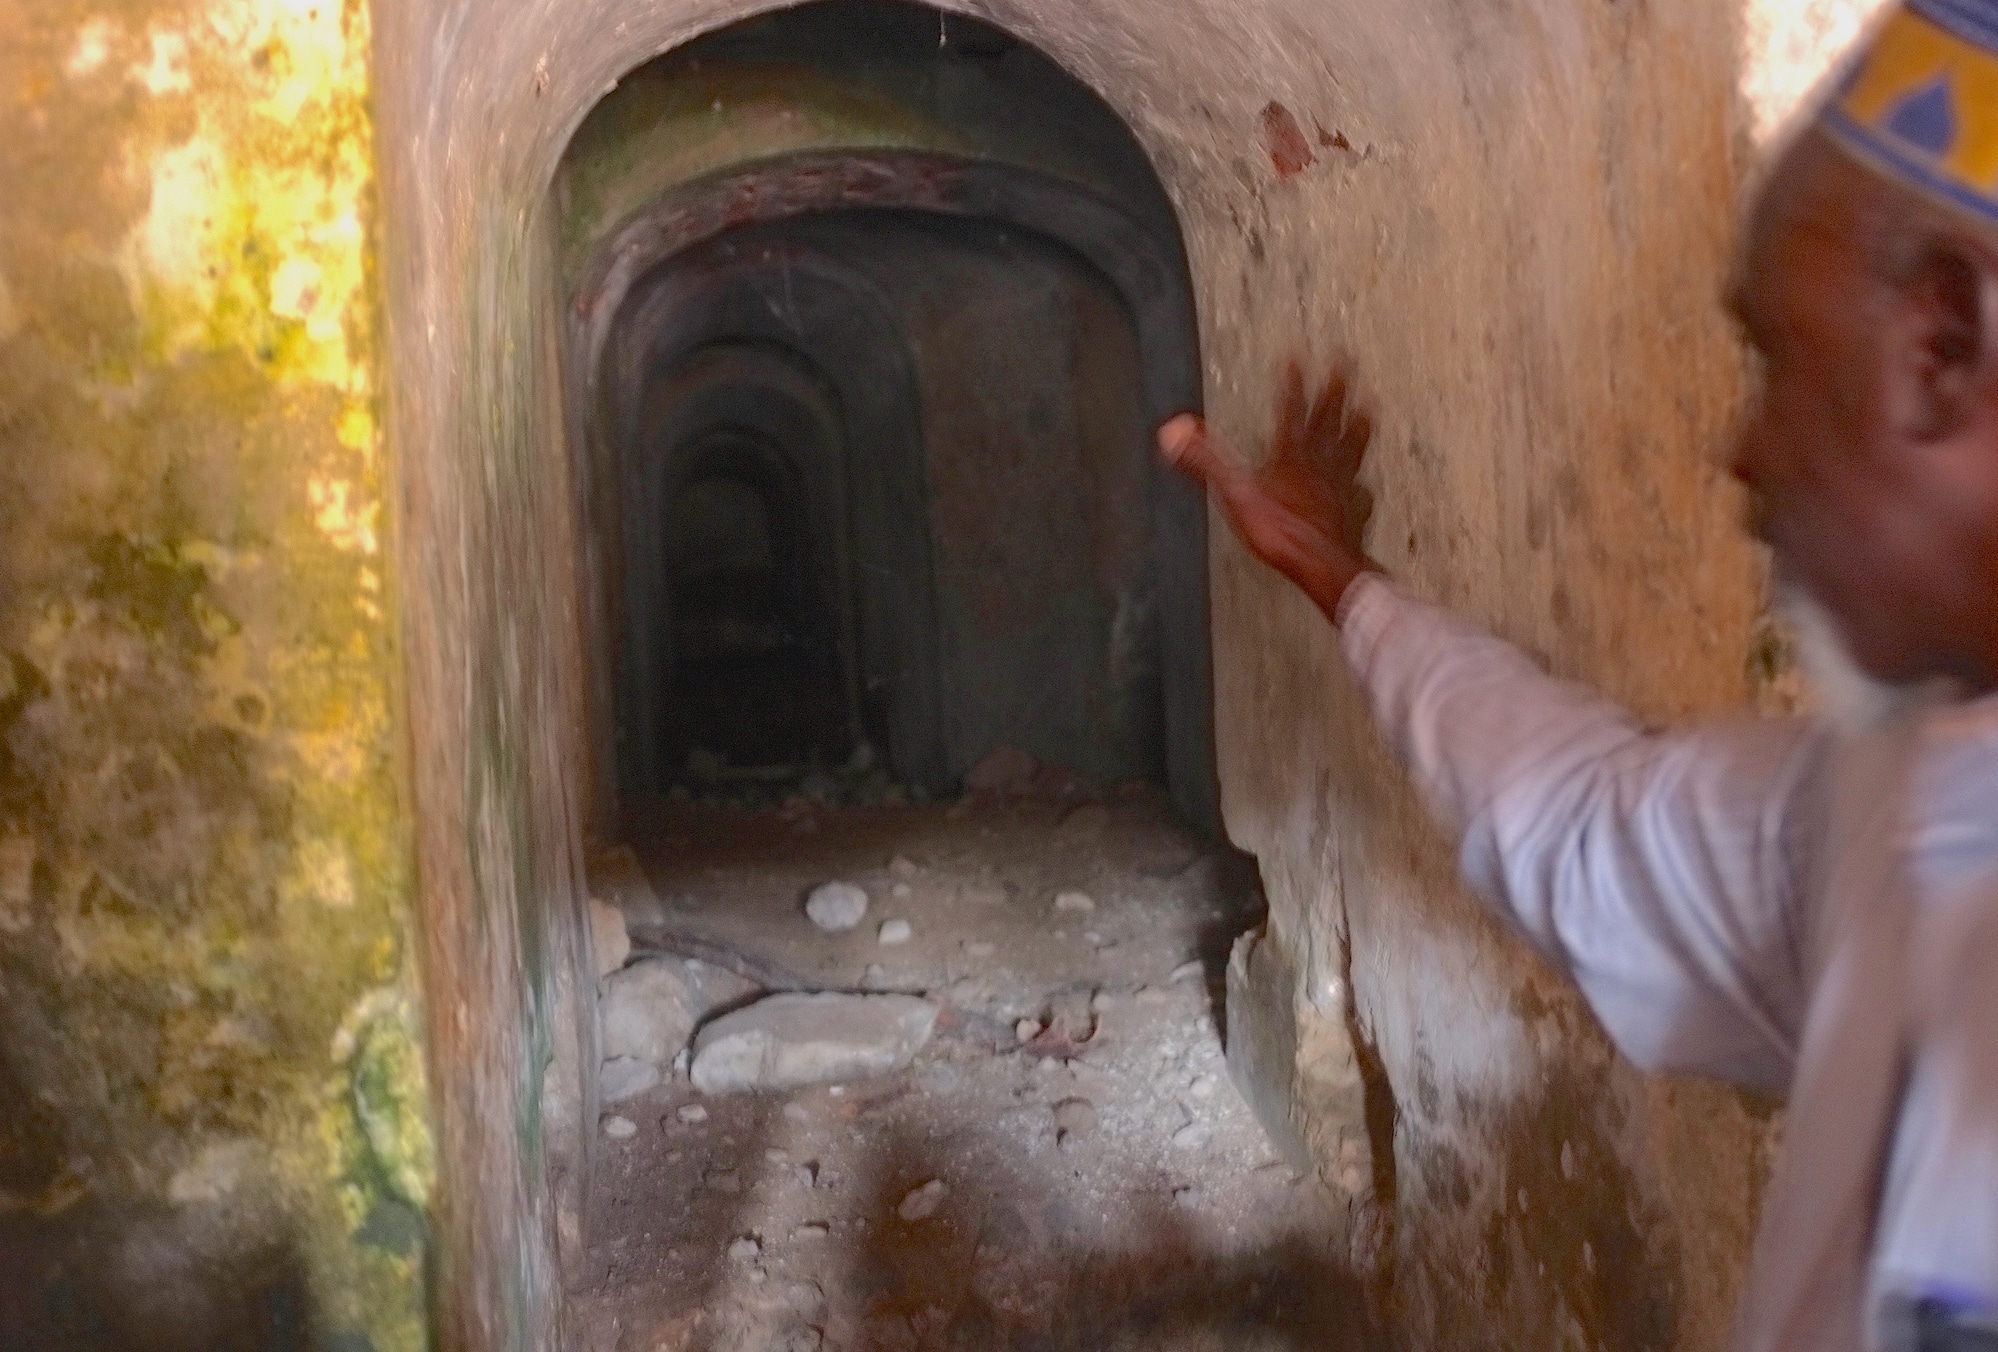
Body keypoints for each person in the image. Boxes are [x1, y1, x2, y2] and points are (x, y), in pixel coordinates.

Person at [1157, 5, 1998, 1350]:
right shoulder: (1898, 809)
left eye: (1777, 357)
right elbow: (1585, 829)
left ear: (1942, 347)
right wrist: (1338, 577)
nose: (1742, 450)